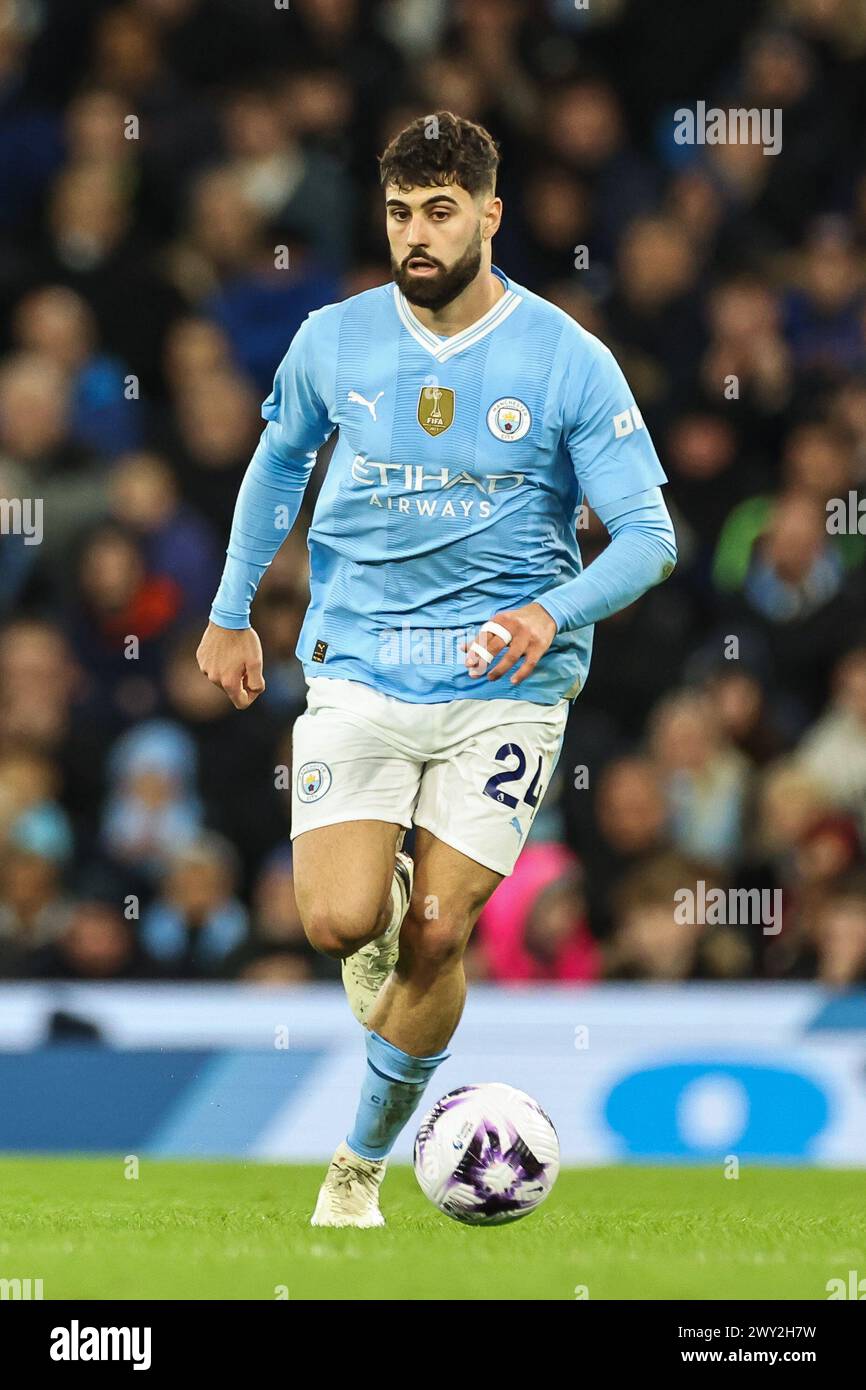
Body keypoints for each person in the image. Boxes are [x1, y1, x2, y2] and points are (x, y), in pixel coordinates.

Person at [195, 111, 677, 1227]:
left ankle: (356, 1171)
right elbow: (275, 471)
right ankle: (383, 897)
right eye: (400, 212)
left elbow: (647, 536)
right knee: (334, 922)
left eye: (440, 211)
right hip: (360, 667)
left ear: (488, 216)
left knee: (441, 932)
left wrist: (544, 613)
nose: (416, 234)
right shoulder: (334, 339)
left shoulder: (566, 358)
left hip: (507, 689)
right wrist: (228, 614)